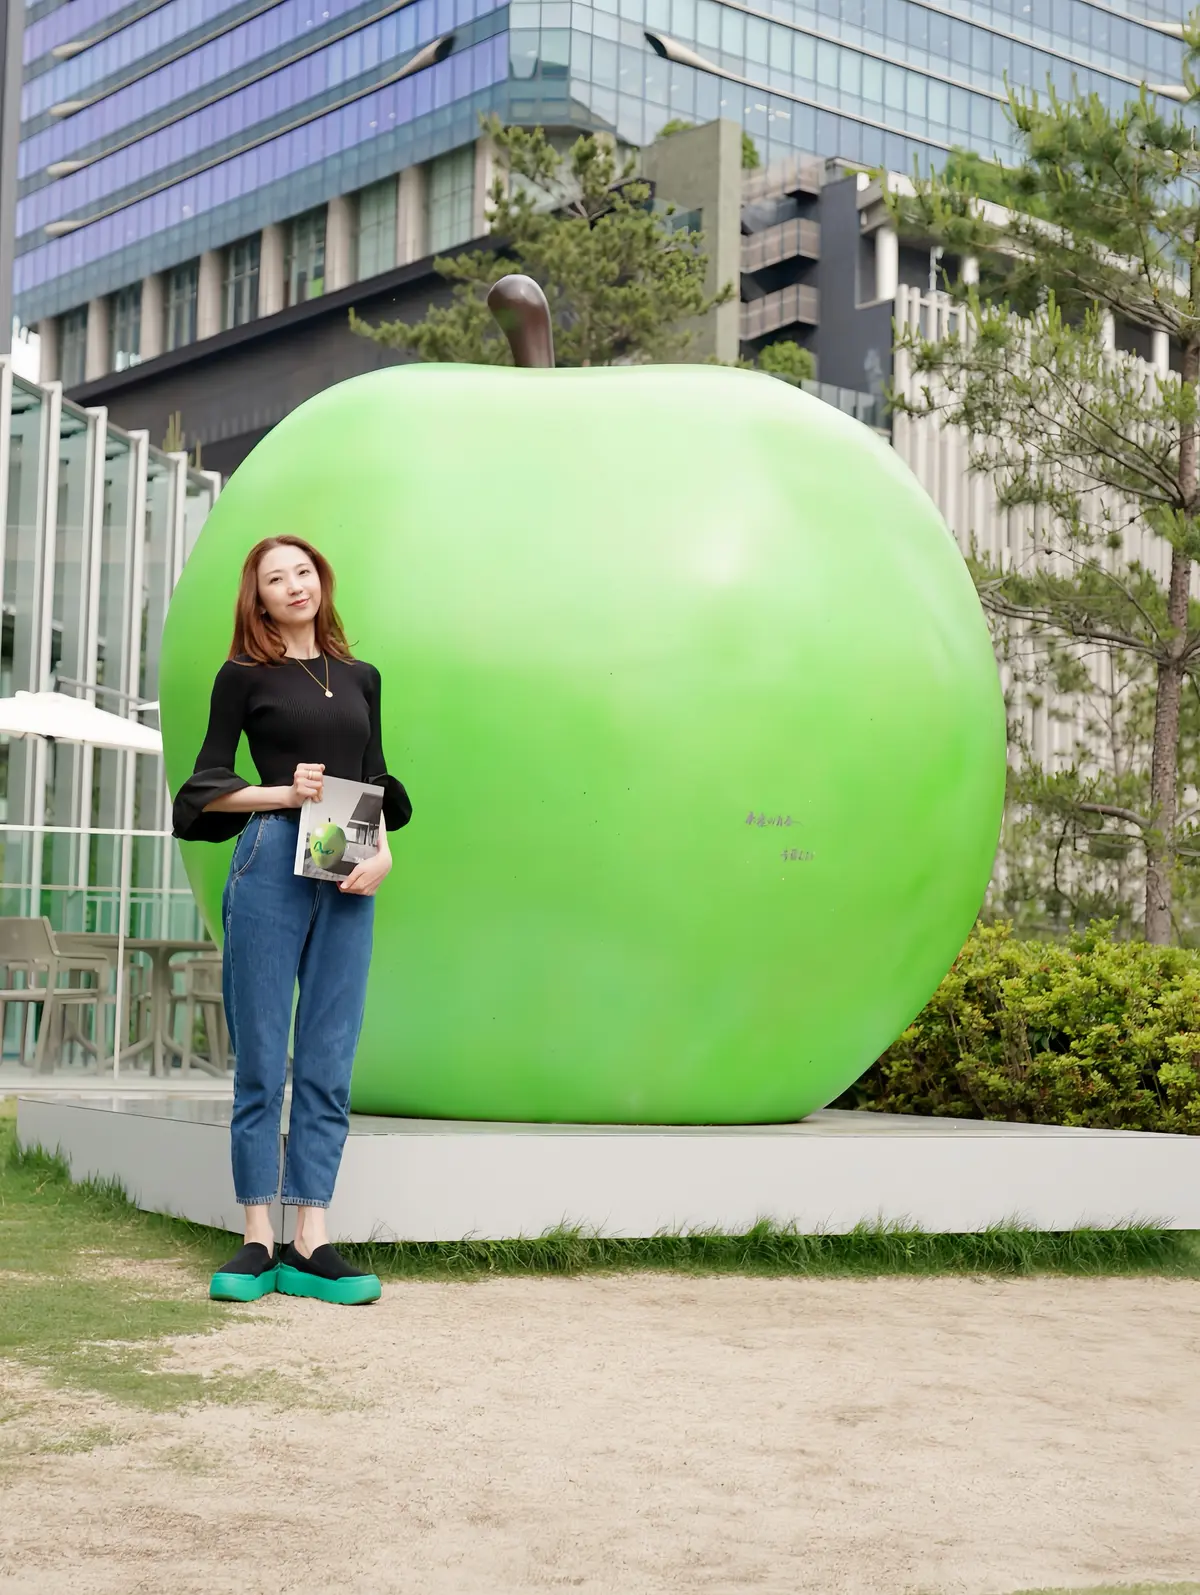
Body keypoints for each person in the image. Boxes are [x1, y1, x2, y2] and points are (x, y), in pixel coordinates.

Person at [172, 535, 412, 1307]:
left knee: (329, 1054)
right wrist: (283, 792)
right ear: (260, 597)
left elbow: (374, 781)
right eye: (276, 578)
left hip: (347, 857)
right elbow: (201, 790)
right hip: (272, 857)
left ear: (320, 581)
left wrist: (384, 857)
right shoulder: (243, 675)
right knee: (261, 1054)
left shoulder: (361, 677)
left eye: (302, 571)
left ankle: (310, 1238)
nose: (293, 585)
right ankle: (256, 1237)